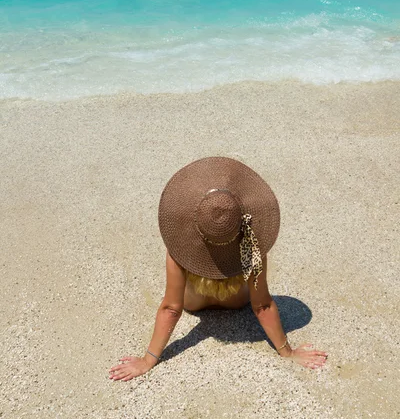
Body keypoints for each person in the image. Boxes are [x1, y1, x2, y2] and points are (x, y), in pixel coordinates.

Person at [109, 157, 327, 381]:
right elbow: (262, 305)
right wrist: (287, 352)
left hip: (193, 304)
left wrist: (147, 360)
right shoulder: (252, 244)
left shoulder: (180, 246)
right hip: (237, 302)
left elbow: (171, 308)